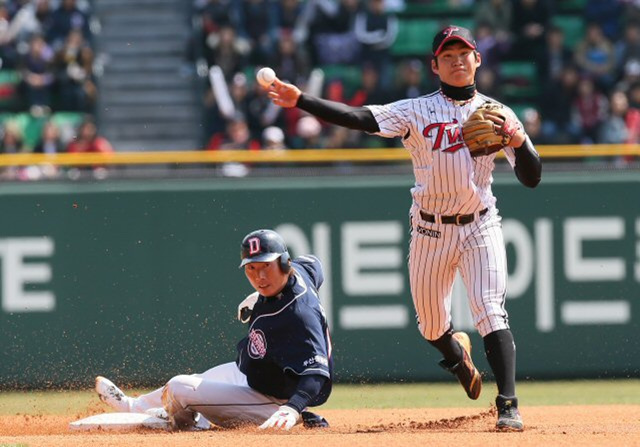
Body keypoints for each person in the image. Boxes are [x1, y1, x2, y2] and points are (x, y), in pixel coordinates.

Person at [263, 25, 541, 431]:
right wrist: (301, 100)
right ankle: (457, 355)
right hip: (430, 230)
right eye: (448, 55)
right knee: (431, 324)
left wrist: (517, 141)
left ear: (478, 60)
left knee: (489, 309)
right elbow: (359, 117)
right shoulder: (415, 111)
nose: (457, 60)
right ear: (435, 65)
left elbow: (532, 177)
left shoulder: (500, 114)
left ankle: (508, 404)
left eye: (464, 53)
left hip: (480, 224)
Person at [95, 229, 333, 431]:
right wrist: (262, 297)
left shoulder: (299, 314)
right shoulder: (301, 271)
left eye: (266, 266)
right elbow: (315, 263)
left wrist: (292, 408)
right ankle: (133, 407)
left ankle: (190, 424)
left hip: (275, 397)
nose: (259, 276)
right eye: (252, 268)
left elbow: (317, 375)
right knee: (195, 381)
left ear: (283, 262)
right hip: (257, 372)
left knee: (181, 388)